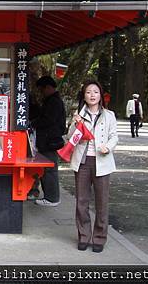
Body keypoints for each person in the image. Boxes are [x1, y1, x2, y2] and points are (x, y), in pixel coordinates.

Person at [69, 80, 118, 253]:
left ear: (101, 95)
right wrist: (75, 124)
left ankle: (99, 238)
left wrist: (108, 147)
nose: (92, 95)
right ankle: (83, 236)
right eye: (89, 92)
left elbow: (114, 136)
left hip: (102, 161)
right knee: (81, 201)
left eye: (95, 92)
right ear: (84, 95)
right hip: (82, 162)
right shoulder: (78, 115)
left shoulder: (109, 115)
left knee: (101, 202)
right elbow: (70, 137)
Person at [29, 76, 66, 207]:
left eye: (42, 89)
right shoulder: (51, 100)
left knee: (50, 169)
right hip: (48, 140)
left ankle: (52, 198)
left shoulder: (54, 102)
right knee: (46, 169)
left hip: (50, 140)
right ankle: (49, 196)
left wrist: (33, 123)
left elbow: (48, 120)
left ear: (48, 88)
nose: (41, 92)